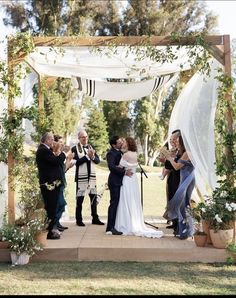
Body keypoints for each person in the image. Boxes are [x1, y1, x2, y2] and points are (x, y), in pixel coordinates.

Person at [115, 137, 164, 238]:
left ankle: (125, 224)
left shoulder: (125, 155)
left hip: (127, 179)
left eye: (124, 142)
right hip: (133, 180)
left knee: (125, 201)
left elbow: (119, 167)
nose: (122, 143)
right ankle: (134, 222)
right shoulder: (135, 154)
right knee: (133, 201)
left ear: (128, 143)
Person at [36, 132, 69, 240]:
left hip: (53, 183)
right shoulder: (43, 150)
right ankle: (50, 232)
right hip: (49, 184)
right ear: (46, 140)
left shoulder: (47, 150)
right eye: (51, 139)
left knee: (54, 207)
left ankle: (53, 229)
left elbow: (56, 163)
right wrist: (63, 153)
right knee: (51, 208)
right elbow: (56, 161)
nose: (53, 142)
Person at [161, 134, 195, 240]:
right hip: (183, 179)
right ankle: (183, 230)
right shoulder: (182, 152)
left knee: (184, 204)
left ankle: (187, 230)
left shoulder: (187, 153)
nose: (176, 143)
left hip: (188, 180)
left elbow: (176, 167)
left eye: (178, 141)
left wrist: (169, 157)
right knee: (181, 204)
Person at [71, 129, 104, 226]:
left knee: (93, 199)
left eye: (86, 137)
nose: (85, 139)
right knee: (80, 199)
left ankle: (95, 218)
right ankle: (79, 219)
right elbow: (76, 162)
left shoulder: (90, 147)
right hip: (81, 178)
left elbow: (97, 161)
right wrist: (87, 156)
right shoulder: (74, 149)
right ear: (79, 138)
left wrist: (93, 157)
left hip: (91, 178)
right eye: (83, 137)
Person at [106, 136, 132, 235]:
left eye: (121, 142)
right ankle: (110, 227)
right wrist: (124, 171)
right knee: (114, 204)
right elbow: (111, 167)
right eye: (119, 142)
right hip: (114, 181)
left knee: (118, 204)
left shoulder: (121, 152)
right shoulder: (111, 153)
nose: (121, 143)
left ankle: (116, 224)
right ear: (114, 144)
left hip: (120, 181)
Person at [53, 134, 74, 232]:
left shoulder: (60, 154)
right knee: (60, 204)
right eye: (60, 142)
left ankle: (57, 224)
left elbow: (63, 170)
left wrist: (69, 162)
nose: (62, 144)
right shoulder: (54, 154)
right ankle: (54, 225)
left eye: (62, 142)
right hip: (55, 183)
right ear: (55, 142)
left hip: (61, 182)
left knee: (60, 205)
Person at [162, 130, 181, 230]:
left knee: (176, 200)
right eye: (171, 139)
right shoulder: (174, 150)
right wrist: (166, 159)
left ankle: (179, 223)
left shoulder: (181, 151)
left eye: (174, 139)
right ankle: (174, 221)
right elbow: (168, 165)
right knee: (171, 198)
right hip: (172, 177)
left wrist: (170, 158)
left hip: (179, 178)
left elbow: (177, 166)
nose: (172, 141)